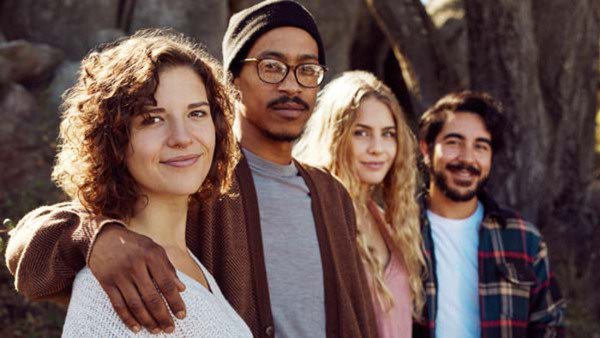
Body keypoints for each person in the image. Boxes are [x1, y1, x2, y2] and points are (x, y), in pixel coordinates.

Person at [5, 1, 377, 337]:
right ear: (231, 82)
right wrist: (95, 236)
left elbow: (356, 311)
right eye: (271, 67)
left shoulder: (330, 193)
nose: (291, 84)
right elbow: (31, 247)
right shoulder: (199, 180)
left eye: (307, 70)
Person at [44, 29, 250, 336]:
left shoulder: (187, 258)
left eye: (196, 113)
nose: (182, 138)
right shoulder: (115, 285)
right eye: (152, 118)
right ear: (112, 139)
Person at [413, 91, 566, 338]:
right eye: (454, 142)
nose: (467, 158)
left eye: (481, 146)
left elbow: (549, 326)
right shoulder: (396, 229)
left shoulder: (523, 239)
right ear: (426, 149)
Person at [295, 70, 426, 338]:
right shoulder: (314, 214)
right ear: (336, 137)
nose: (377, 148)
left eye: (388, 134)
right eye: (362, 133)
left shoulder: (384, 219)